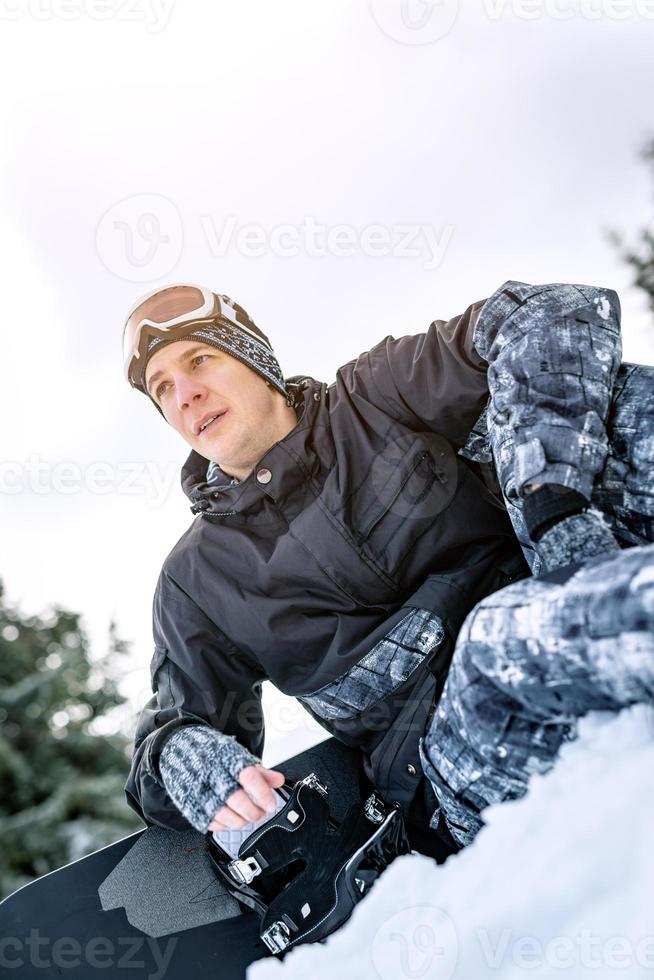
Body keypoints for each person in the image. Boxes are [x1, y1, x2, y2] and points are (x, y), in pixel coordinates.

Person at [122, 281, 653, 858]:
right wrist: (178, 755)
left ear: (255, 358)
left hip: (571, 605)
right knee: (494, 641)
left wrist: (553, 501)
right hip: (453, 763)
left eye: (199, 360)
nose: (186, 396)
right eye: (163, 389)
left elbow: (546, 310)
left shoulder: (374, 397)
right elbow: (172, 726)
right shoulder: (197, 580)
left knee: (610, 401)